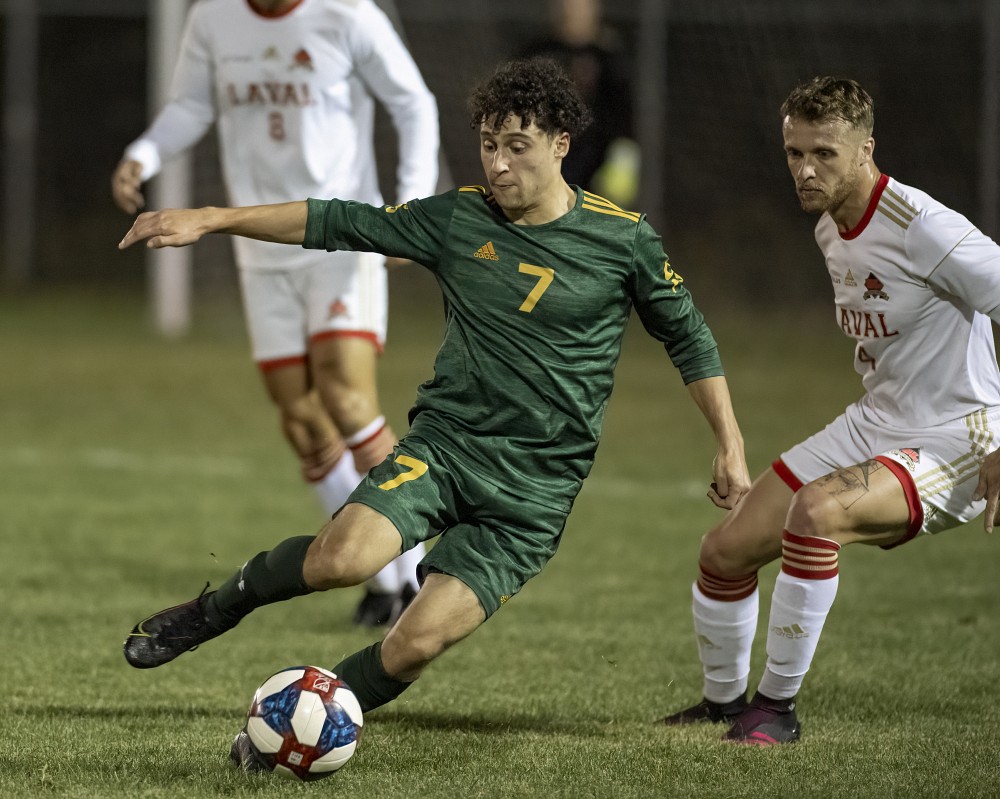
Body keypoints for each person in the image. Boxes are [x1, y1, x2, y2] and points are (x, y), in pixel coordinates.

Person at [117, 56, 751, 769]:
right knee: (341, 560)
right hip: (447, 449)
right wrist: (213, 218)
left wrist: (728, 443)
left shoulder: (622, 238)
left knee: (413, 645)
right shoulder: (458, 219)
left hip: (535, 493)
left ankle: (296, 731)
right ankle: (214, 610)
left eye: (517, 146)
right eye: (488, 144)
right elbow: (337, 220)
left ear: (561, 145)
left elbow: (688, 336)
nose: (498, 163)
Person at [661, 76, 1000, 745]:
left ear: (866, 149)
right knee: (725, 551)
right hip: (876, 420)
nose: (805, 170)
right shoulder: (829, 227)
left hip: (958, 436)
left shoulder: (923, 227)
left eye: (824, 153)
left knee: (816, 513)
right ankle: (722, 702)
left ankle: (775, 709)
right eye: (794, 153)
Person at [111, 0, 441, 626]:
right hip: (261, 250)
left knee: (346, 398)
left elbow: (413, 101)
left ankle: (413, 578)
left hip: (343, 235)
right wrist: (143, 155)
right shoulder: (212, 18)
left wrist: (411, 206)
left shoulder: (348, 14)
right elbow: (192, 104)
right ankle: (380, 579)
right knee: (302, 421)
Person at [520, 0, 639, 207]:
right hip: (548, 155)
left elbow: (624, 114)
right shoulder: (537, 53)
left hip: (597, 160)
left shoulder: (610, 59)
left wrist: (623, 158)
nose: (572, 10)